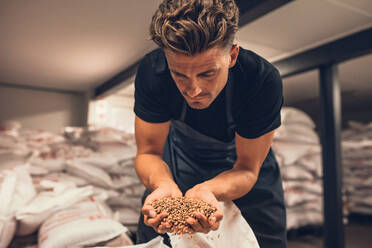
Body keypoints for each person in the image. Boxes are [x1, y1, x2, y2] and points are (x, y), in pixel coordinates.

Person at [134, 0, 286, 247]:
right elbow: (148, 153)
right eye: (179, 74)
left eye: (208, 73)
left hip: (245, 171)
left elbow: (247, 168)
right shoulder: (153, 71)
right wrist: (162, 184)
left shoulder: (261, 80)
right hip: (178, 165)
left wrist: (208, 190)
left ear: (232, 56)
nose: (193, 90)